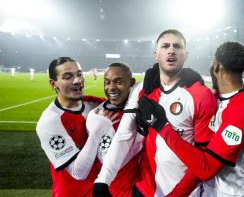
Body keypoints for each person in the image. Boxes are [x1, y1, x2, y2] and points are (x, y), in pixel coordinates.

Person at [93, 29, 217, 196]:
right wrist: (103, 180)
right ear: (156, 54)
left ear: (186, 54)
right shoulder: (143, 89)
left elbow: (205, 160)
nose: (171, 50)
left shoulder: (201, 95)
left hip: (185, 193)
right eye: (165, 46)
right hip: (144, 189)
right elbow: (124, 135)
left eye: (177, 46)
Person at [137, 41, 244, 197]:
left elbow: (206, 168)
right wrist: (165, 73)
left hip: (228, 193)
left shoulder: (243, 109)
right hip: (208, 191)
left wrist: (161, 126)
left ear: (216, 67)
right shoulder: (221, 98)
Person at [36, 57, 112, 197]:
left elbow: (125, 104)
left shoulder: (93, 104)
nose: (77, 81)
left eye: (79, 74)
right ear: (53, 84)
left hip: (102, 191)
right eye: (68, 77)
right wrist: (98, 129)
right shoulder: (49, 121)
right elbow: (78, 173)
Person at [86, 62, 144, 197]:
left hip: (142, 189)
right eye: (107, 82)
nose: (111, 87)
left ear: (131, 83)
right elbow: (110, 159)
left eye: (118, 82)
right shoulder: (97, 116)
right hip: (111, 191)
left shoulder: (143, 110)